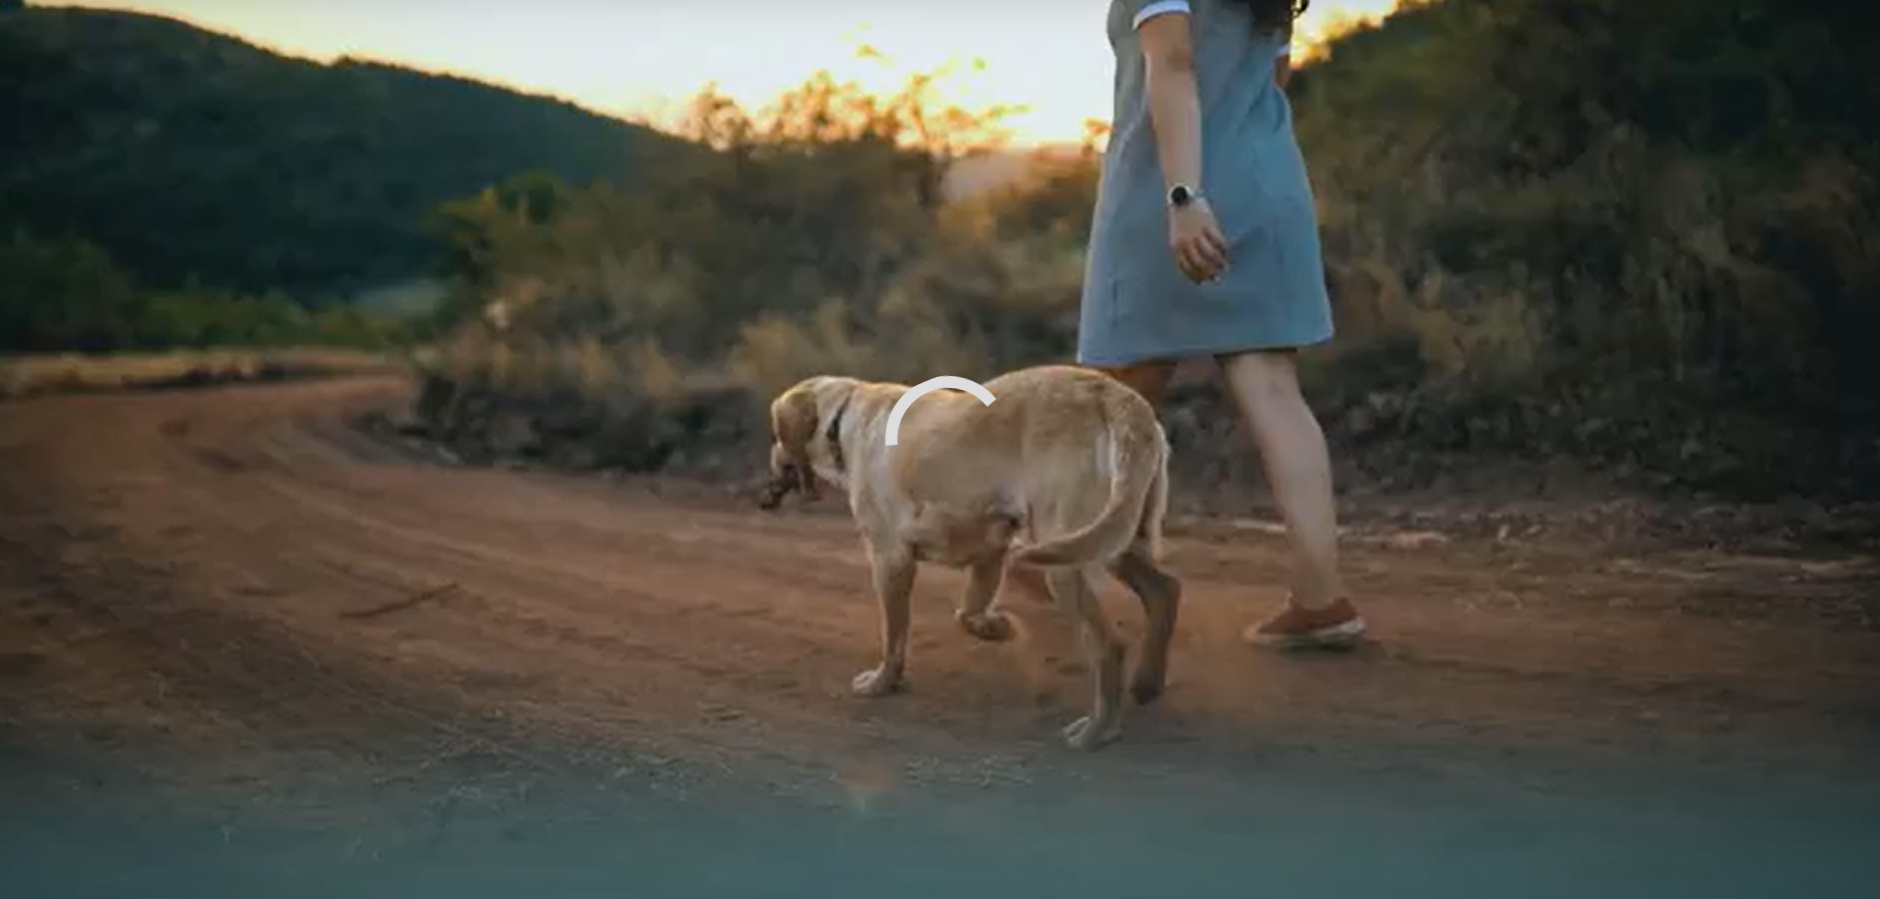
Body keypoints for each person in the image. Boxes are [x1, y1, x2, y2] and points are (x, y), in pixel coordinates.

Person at [1041, 0, 1367, 649]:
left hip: (1166, 196)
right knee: (1273, 388)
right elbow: (1272, 78)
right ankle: (1321, 598)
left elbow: (1173, 61)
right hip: (1268, 183)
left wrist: (1184, 196)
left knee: (1106, 399)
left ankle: (1045, 563)